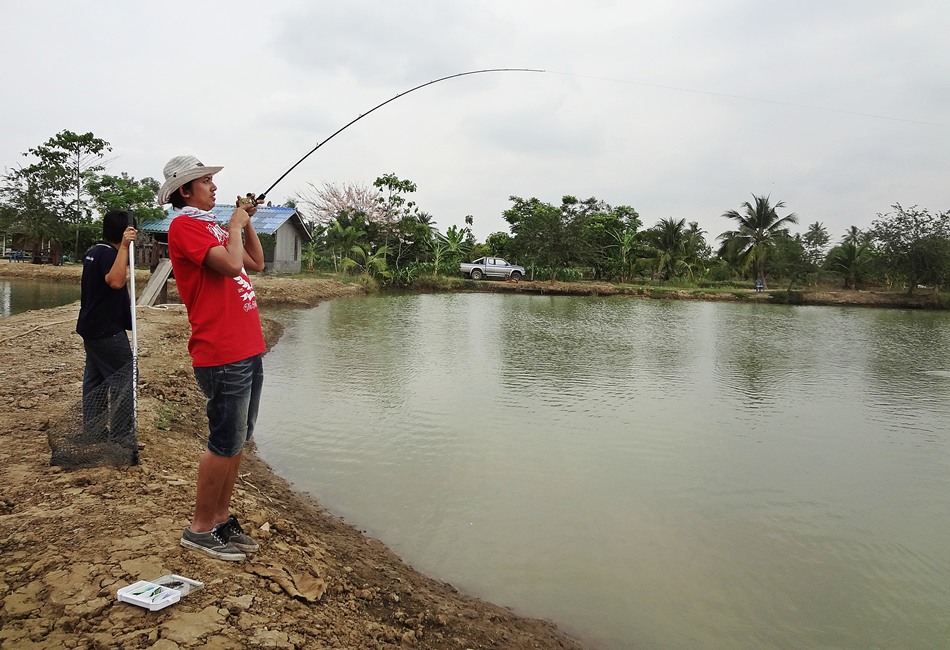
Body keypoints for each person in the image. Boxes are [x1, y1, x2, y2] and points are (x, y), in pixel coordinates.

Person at [157, 155, 266, 562]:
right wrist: (235, 225)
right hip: (221, 353)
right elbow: (232, 263)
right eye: (205, 182)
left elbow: (255, 263)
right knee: (223, 441)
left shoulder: (211, 225)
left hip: (246, 348)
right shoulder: (184, 226)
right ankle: (199, 528)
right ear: (184, 190)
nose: (214, 187)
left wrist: (245, 220)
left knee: (237, 439)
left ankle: (220, 519)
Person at [75, 211, 138, 464]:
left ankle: (94, 430)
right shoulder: (109, 253)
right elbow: (115, 281)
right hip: (106, 330)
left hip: (92, 326)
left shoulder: (95, 250)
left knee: (96, 379)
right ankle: (122, 437)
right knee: (124, 380)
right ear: (123, 232)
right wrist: (124, 247)